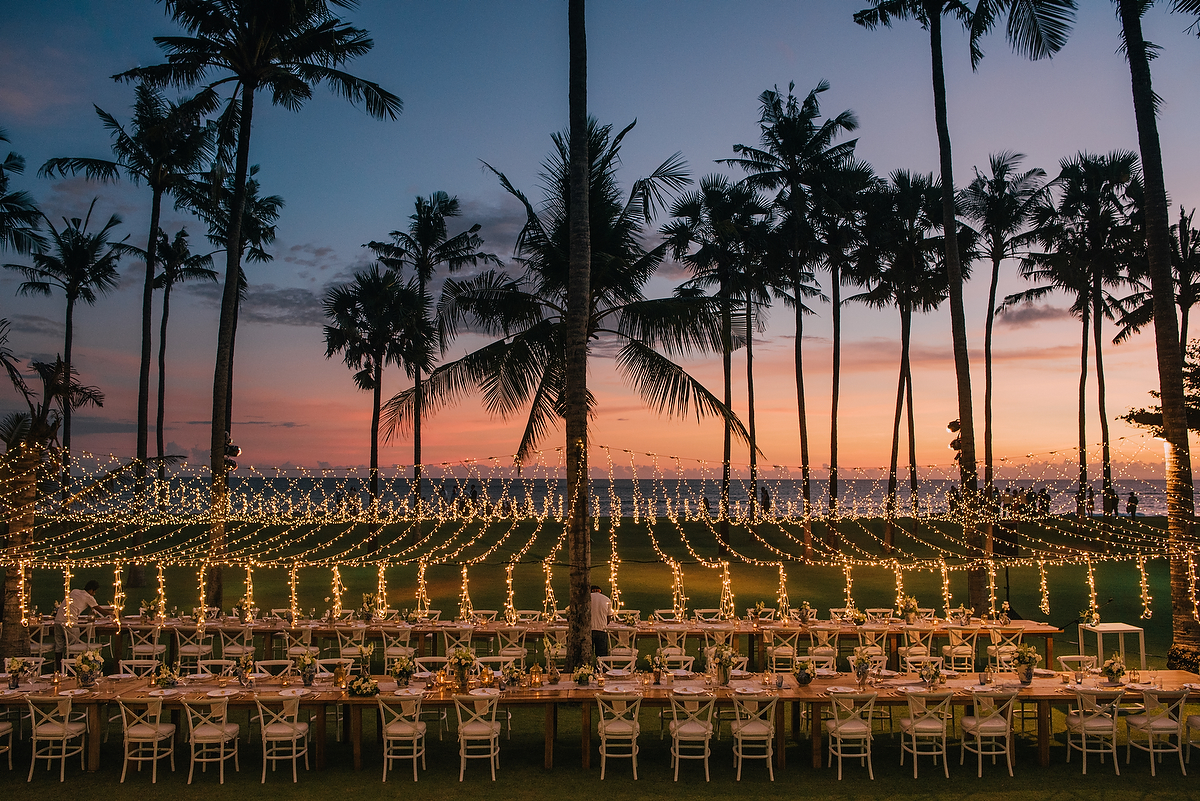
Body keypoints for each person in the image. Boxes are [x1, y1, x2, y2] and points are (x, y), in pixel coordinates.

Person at [54, 579, 107, 668]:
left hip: (58, 621)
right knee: (73, 646)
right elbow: (99, 609)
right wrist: (113, 613)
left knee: (59, 646)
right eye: (95, 592)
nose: (94, 594)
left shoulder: (74, 591)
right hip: (70, 623)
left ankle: (58, 668)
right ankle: (71, 667)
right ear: (91, 590)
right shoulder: (88, 597)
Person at [590, 584, 612, 658]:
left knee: (587, 654)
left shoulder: (585, 599)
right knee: (602, 655)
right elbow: (609, 618)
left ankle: (586, 668)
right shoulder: (606, 599)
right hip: (601, 630)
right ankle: (601, 668)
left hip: (588, 630)